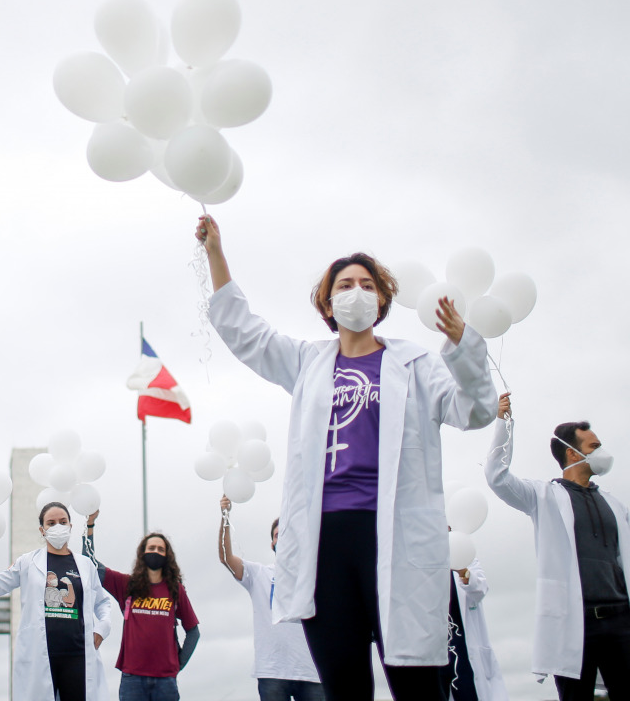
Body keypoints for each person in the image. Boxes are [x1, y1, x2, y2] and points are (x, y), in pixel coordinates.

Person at [197, 215, 498, 701]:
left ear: (381, 299)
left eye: (366, 284)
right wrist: (215, 252)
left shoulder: (418, 365)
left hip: (395, 535)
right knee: (344, 685)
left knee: (417, 683)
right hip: (324, 540)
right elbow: (244, 332)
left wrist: (463, 347)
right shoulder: (307, 362)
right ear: (328, 302)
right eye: (344, 285)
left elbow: (477, 410)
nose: (355, 291)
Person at [485, 392, 630, 699]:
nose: (602, 451)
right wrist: (503, 424)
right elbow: (497, 477)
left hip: (621, 621)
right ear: (573, 453)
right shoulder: (543, 497)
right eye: (594, 446)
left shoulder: (614, 504)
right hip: (576, 622)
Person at [0, 501, 113, 701]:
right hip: (40, 654)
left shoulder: (85, 564)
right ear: (42, 529)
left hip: (78, 654)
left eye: (63, 522)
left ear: (70, 526)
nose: (58, 527)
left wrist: (102, 628)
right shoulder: (27, 562)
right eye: (51, 523)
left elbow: (103, 603)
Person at [80, 509, 199, 701]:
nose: (155, 552)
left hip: (165, 682)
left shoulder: (175, 590)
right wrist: (90, 525)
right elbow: (89, 563)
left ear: (167, 556)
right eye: (151, 548)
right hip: (132, 679)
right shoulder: (127, 585)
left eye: (160, 549)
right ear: (142, 553)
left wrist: (178, 664)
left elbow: (193, 631)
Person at [217, 497, 322, 701]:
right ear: (272, 543)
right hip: (272, 671)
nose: (281, 538)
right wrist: (225, 516)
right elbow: (225, 557)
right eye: (277, 535)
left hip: (312, 670)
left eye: (287, 534)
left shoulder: (316, 576)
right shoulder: (258, 574)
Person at [438, 554, 507, 701]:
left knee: (466, 690)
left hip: (461, 646)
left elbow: (480, 590)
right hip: (434, 646)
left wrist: (462, 570)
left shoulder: (463, 552)